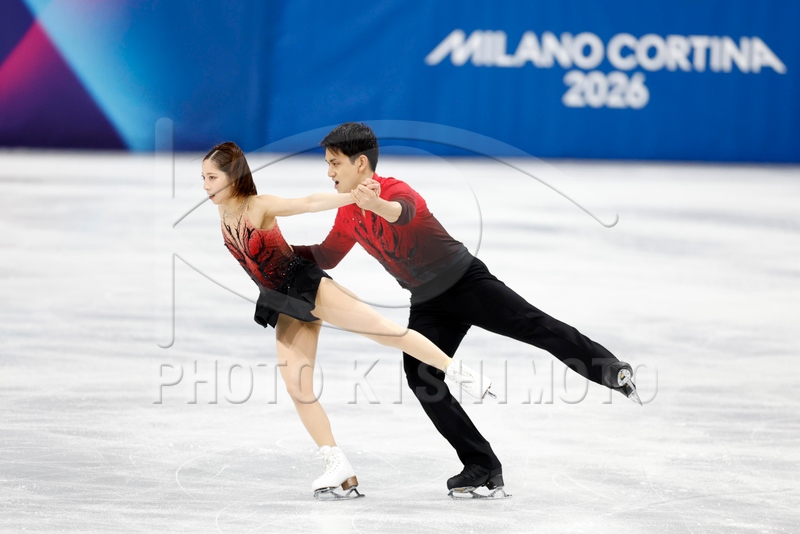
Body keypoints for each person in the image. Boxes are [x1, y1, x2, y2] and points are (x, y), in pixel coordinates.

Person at [292, 122, 641, 499]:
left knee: (533, 325)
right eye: (327, 164)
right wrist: (273, 248)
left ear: (360, 163)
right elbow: (327, 255)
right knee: (422, 375)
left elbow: (402, 213)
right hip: (427, 302)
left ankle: (609, 369)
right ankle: (481, 464)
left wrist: (375, 204)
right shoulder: (347, 214)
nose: (329, 172)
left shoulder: (395, 189)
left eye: (334, 163)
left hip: (465, 282)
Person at [201, 142, 492, 500]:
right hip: (280, 300)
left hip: (306, 286)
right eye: (203, 178)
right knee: (298, 388)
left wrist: (353, 197)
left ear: (233, 177)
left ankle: (458, 371)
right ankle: (337, 466)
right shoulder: (223, 212)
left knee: (384, 331)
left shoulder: (257, 206)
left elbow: (308, 203)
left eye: (212, 177)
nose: (206, 185)